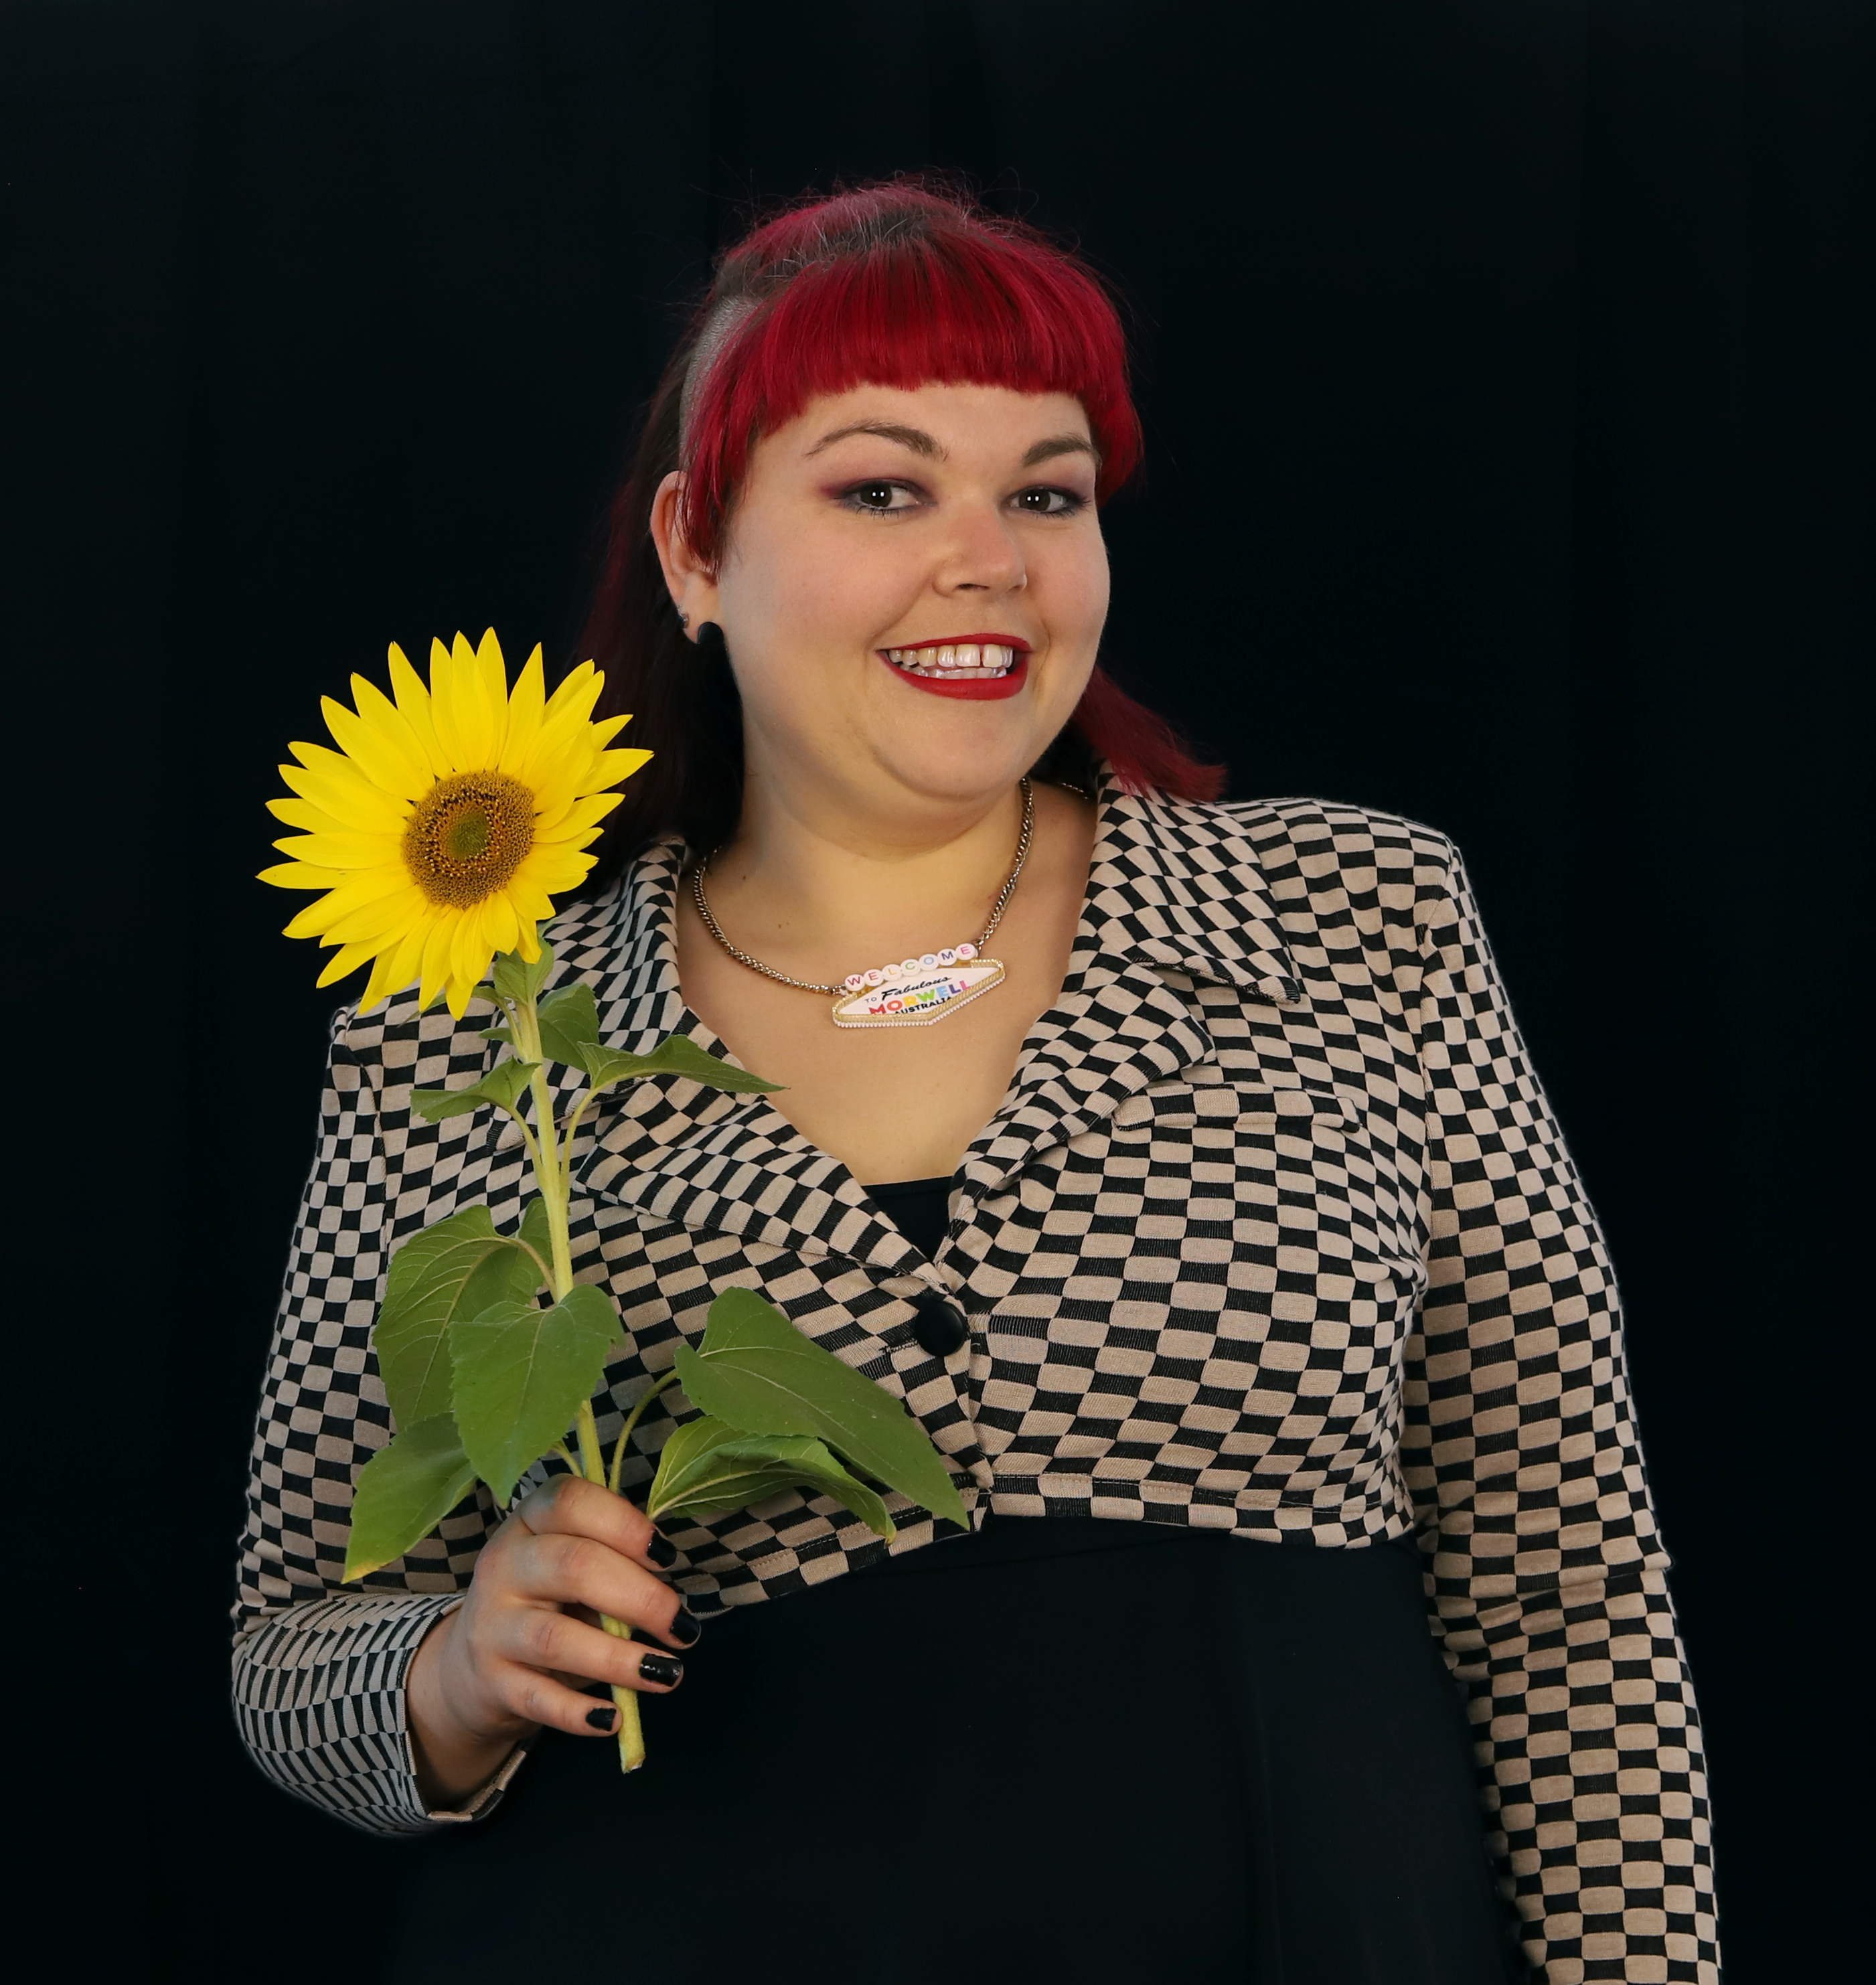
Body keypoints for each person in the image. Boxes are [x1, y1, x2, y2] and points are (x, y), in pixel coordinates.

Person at [232, 185, 1718, 1985]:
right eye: (882, 486)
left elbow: (1569, 1603)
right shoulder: (479, 1031)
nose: (992, 559)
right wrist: (454, 1674)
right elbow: (292, 1646)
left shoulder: (1358, 920)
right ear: (698, 548)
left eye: (1047, 490)